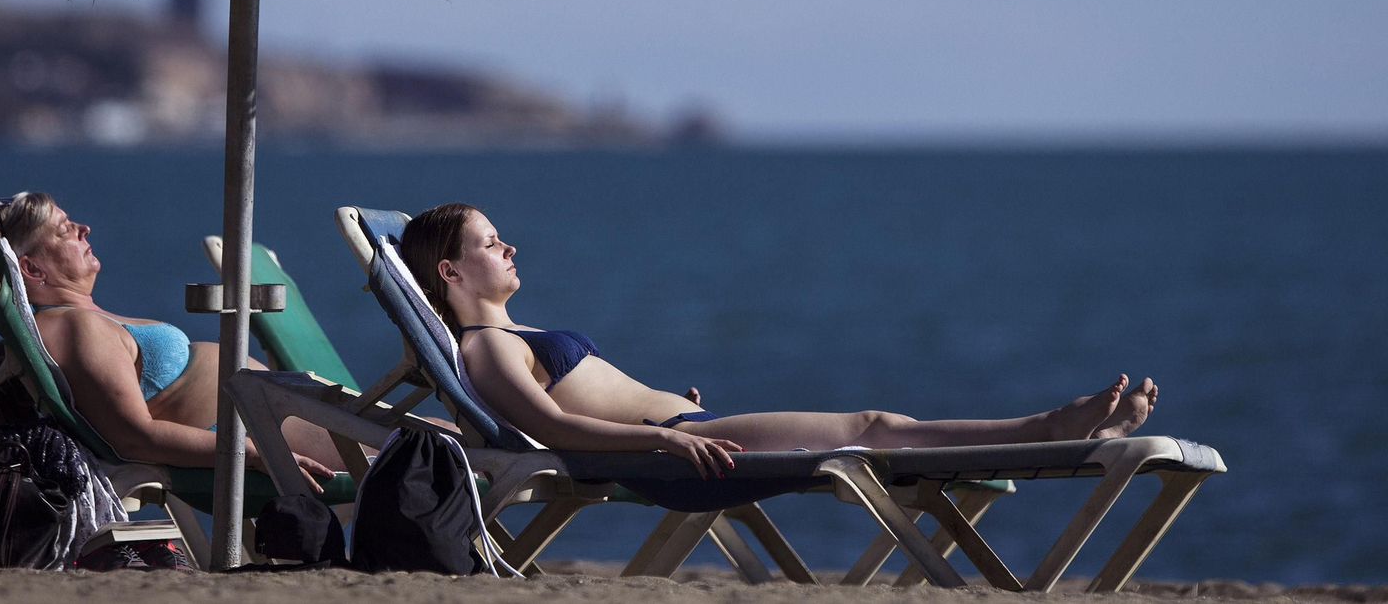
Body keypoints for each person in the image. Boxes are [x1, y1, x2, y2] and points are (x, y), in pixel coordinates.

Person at [400, 202, 1160, 480]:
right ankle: (1050, 430)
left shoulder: (511, 333)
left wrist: (671, 415)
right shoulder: (487, 347)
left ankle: (1054, 430)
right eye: (491, 242)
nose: (509, 249)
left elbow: (579, 395)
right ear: (450, 269)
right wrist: (663, 442)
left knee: (874, 429)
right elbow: (557, 429)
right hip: (672, 449)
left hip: (681, 430)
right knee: (871, 431)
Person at [0, 193, 338, 485]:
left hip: (265, 423)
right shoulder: (74, 328)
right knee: (392, 458)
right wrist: (253, 454)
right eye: (65, 230)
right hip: (257, 436)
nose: (85, 228)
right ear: (32, 268)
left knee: (393, 453)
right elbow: (134, 438)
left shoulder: (83, 319)